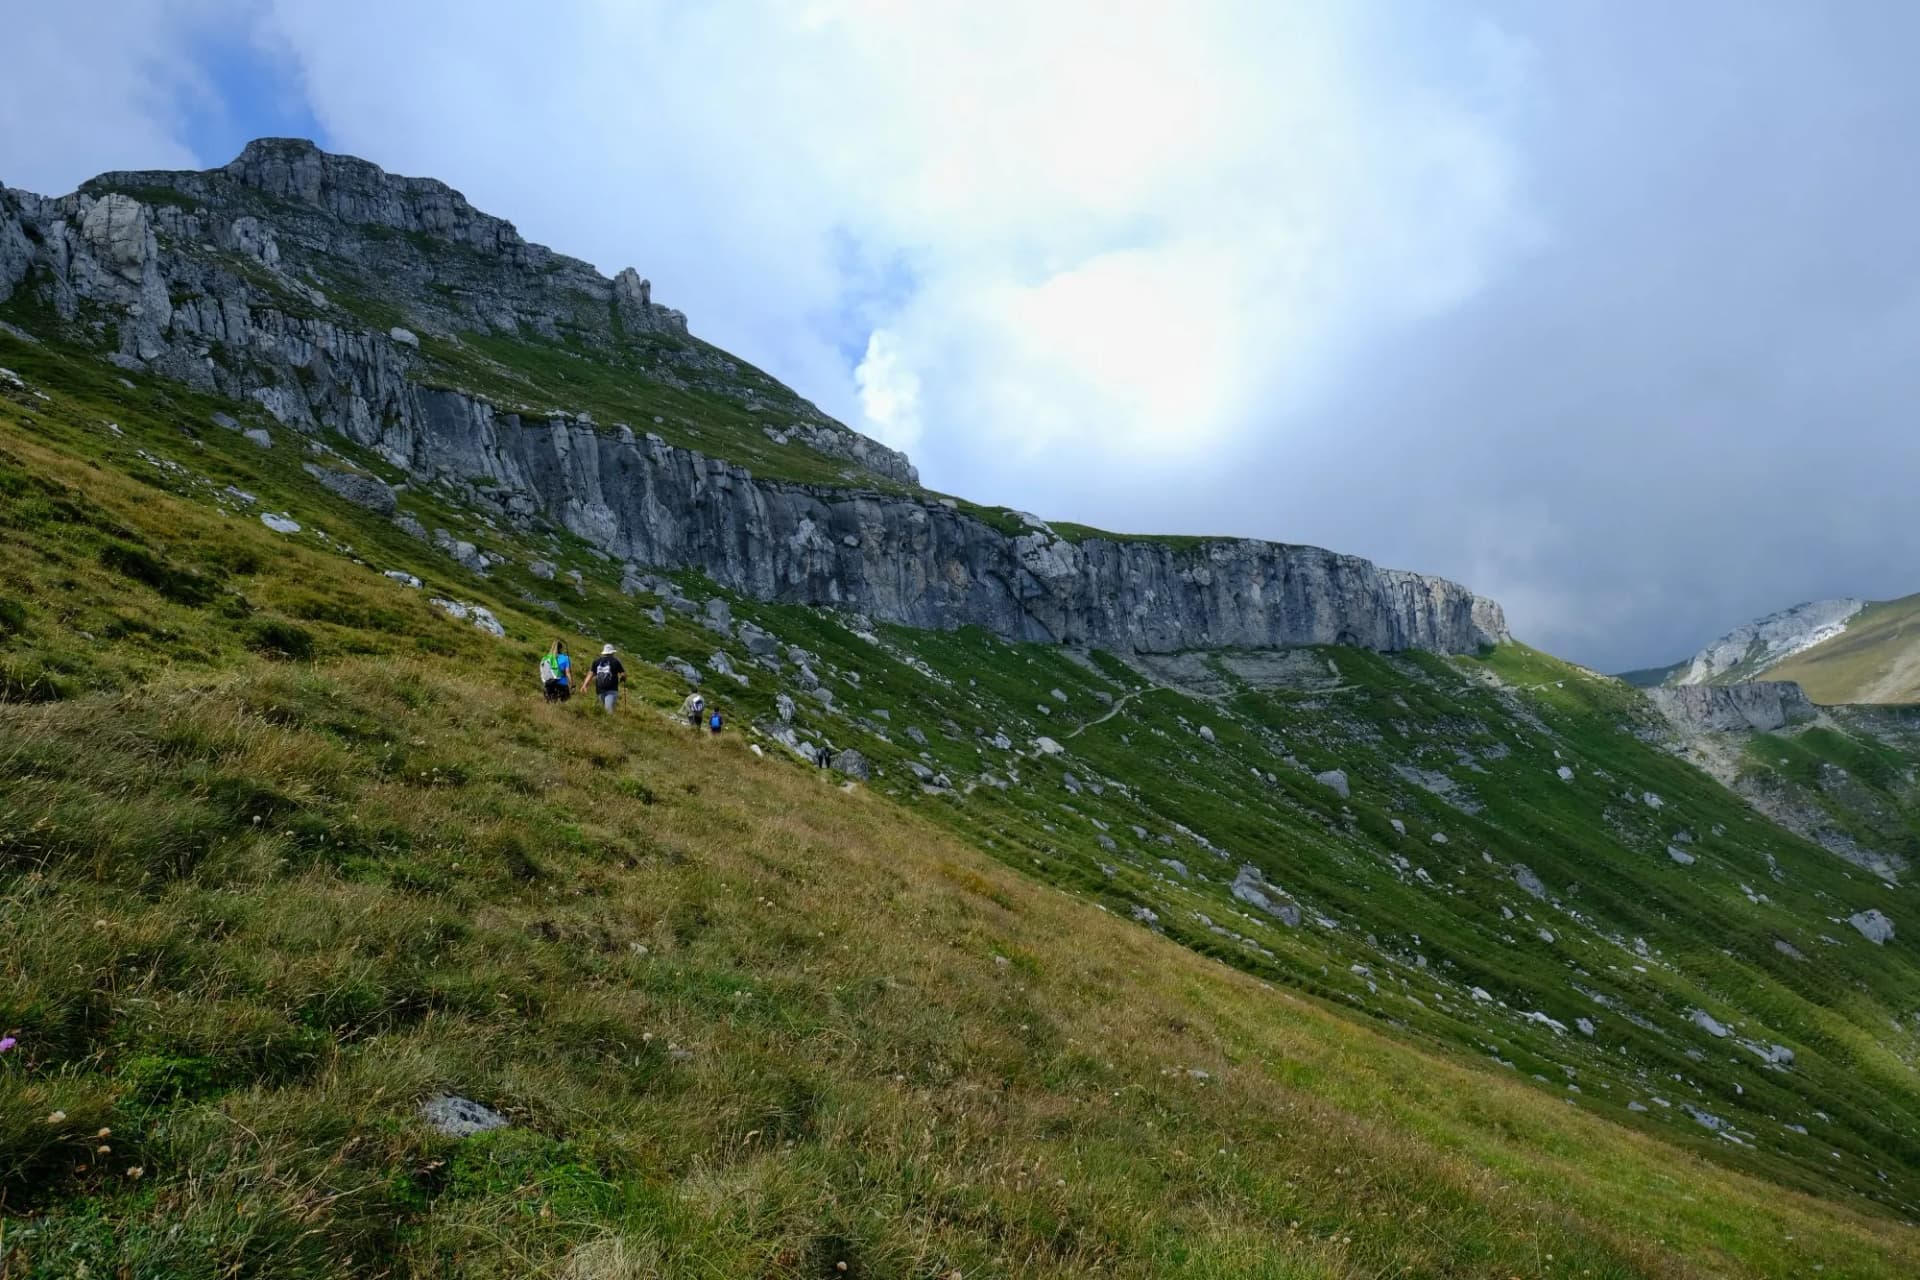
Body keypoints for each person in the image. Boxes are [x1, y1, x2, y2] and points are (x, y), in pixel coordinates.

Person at [588, 643, 625, 712]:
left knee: (602, 710)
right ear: (612, 652)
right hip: (612, 689)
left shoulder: (596, 661)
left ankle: (604, 721)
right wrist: (623, 678)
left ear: (604, 652)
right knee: (609, 710)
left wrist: (585, 685)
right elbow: (623, 674)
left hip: (599, 689)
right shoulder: (615, 661)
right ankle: (610, 721)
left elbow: (591, 674)